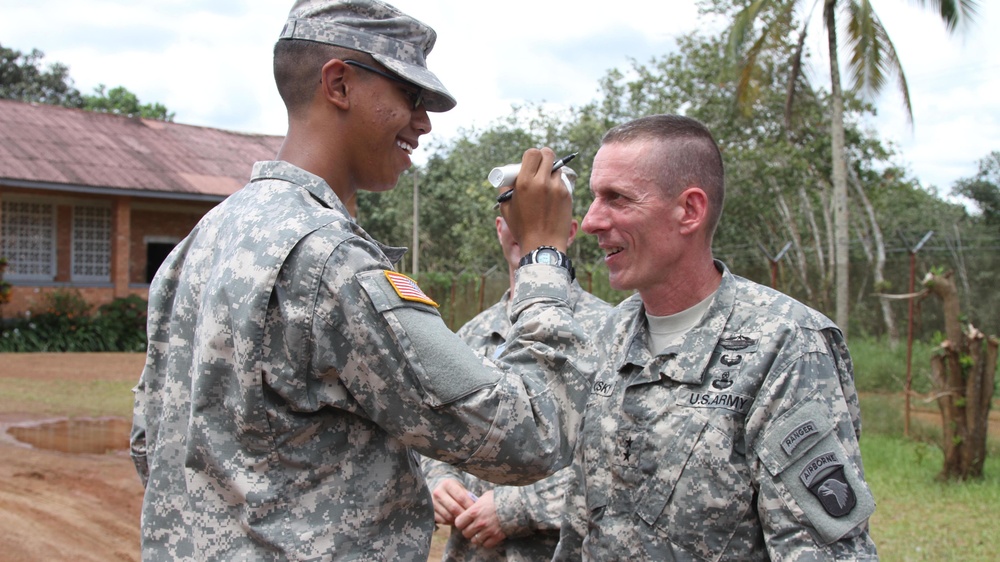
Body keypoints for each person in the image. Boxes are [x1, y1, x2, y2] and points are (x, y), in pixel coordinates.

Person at [129, 2, 593, 560]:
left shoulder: (201, 240)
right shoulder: (331, 261)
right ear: (340, 83)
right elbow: (528, 435)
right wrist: (543, 252)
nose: (423, 122)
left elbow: (149, 443)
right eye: (409, 96)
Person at [553, 114, 879, 560]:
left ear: (689, 210)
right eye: (593, 198)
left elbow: (820, 549)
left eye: (617, 199)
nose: (590, 221)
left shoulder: (785, 344)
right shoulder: (609, 334)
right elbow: (579, 526)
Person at [422, 168, 611, 561]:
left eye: (538, 216)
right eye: (513, 215)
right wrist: (439, 481)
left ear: (570, 230)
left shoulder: (611, 332)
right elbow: (437, 431)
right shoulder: (470, 335)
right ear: (498, 226)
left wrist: (514, 508)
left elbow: (622, 461)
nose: (523, 230)